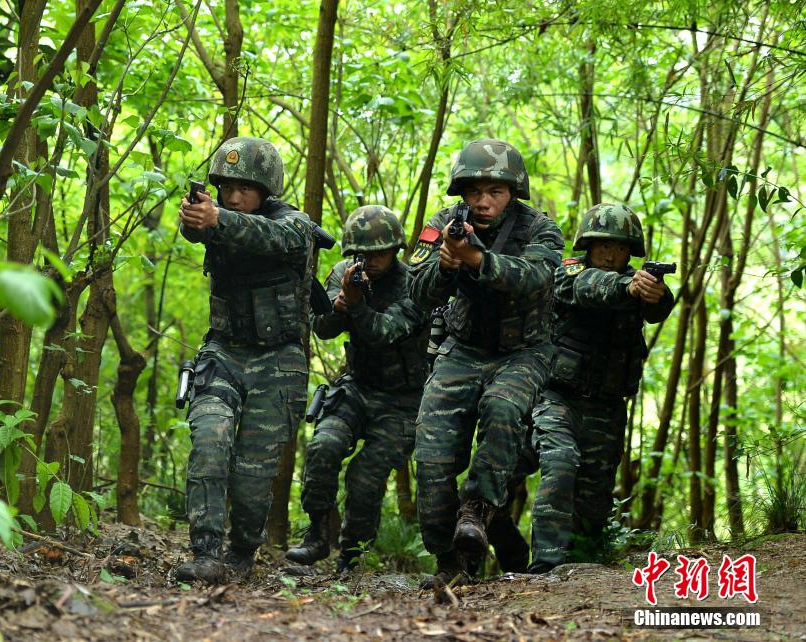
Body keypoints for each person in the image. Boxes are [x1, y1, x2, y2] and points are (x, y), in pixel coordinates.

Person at [408, 138, 564, 585]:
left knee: (502, 408)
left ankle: (477, 508)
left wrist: (478, 259)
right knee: (433, 455)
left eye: (494, 191)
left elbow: (536, 277)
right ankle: (451, 563)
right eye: (474, 192)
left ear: (513, 191)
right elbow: (416, 292)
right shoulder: (442, 224)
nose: (483, 201)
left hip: (524, 352)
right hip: (464, 348)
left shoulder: (540, 228)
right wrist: (445, 267)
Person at [175, 136, 316, 584]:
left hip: (279, 362)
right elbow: (195, 229)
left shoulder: (295, 224)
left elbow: (275, 237)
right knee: (210, 440)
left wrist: (219, 218)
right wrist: (197, 219)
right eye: (226, 187)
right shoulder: (215, 218)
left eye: (246, 188)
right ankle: (205, 551)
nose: (234, 196)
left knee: (254, 474)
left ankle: (240, 552)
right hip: (224, 351)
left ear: (267, 189)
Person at [529, 203, 674, 573]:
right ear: (588, 247)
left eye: (620, 248)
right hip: (557, 397)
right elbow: (586, 288)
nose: (611, 255)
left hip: (607, 406)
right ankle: (545, 564)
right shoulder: (568, 272)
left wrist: (655, 292)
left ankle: (583, 568)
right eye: (604, 247)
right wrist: (629, 286)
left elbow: (659, 308)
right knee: (559, 465)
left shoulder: (636, 283)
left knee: (595, 494)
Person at [285, 205, 428, 572]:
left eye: (380, 252)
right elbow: (323, 327)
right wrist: (338, 307)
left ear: (395, 249)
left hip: (403, 401)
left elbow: (383, 332)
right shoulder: (342, 275)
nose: (372, 260)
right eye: (364, 253)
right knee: (324, 445)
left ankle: (352, 555)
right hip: (358, 387)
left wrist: (355, 305)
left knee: (366, 475)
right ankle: (316, 535)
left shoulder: (415, 284)